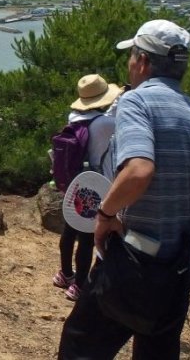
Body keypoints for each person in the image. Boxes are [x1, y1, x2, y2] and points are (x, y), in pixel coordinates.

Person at [58, 20, 190, 360]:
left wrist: (106, 214)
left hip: (131, 260)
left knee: (81, 347)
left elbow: (139, 171)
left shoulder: (137, 102)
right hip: (181, 269)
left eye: (132, 57)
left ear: (142, 61)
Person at [52, 74, 121, 302]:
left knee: (70, 228)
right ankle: (80, 284)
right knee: (88, 236)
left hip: (75, 179)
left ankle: (65, 274)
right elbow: (123, 121)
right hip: (95, 183)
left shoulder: (75, 117)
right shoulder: (104, 123)